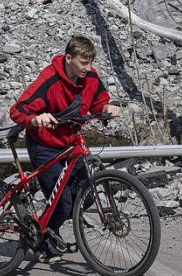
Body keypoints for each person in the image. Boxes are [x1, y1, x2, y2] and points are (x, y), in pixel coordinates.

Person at [10, 35, 120, 263]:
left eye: (90, 62)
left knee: (85, 196)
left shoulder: (89, 76)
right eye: (83, 63)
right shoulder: (49, 79)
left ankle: (47, 228)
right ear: (68, 58)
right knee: (62, 202)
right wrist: (35, 119)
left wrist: (107, 107)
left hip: (71, 143)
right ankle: (43, 240)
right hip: (45, 145)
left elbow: (99, 99)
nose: (88, 68)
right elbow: (18, 109)